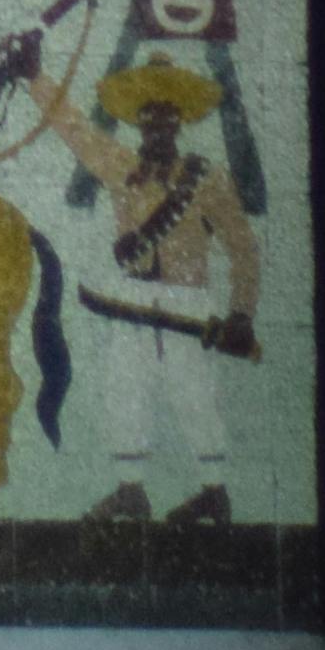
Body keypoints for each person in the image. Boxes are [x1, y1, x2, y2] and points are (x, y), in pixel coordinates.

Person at [36, 50, 259, 489]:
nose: (158, 127)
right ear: (139, 125)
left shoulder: (206, 179)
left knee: (193, 395)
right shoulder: (121, 165)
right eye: (149, 118)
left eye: (167, 118)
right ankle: (129, 489)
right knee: (124, 392)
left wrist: (242, 313)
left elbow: (243, 247)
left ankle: (214, 491)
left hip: (188, 299)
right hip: (131, 298)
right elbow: (75, 129)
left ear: (179, 124)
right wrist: (34, 79)